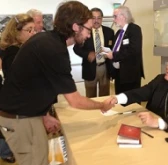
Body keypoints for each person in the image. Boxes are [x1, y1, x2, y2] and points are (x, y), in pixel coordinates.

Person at [0, 1, 113, 165]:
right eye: (88, 29)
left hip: (29, 114)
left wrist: (44, 115)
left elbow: (33, 85)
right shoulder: (53, 48)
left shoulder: (48, 41)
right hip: (19, 119)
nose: (90, 34)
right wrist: (102, 105)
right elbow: (75, 100)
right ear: (75, 27)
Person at [0, 13, 36, 164]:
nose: (34, 33)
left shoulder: (20, 48)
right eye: (29, 30)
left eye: (34, 29)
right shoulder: (13, 52)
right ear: (16, 31)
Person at [73, 7, 114, 98]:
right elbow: (76, 48)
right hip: (89, 68)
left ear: (102, 19)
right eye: (93, 18)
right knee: (90, 97)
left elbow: (113, 48)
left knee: (105, 96)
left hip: (104, 68)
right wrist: (87, 54)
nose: (96, 20)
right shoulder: (84, 31)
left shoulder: (109, 32)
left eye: (99, 18)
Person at [105, 6, 144, 95]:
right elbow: (117, 49)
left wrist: (114, 56)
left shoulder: (134, 29)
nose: (113, 20)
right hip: (119, 73)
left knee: (131, 101)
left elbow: (133, 50)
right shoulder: (119, 33)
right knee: (120, 100)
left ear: (124, 16)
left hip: (130, 74)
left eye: (115, 16)